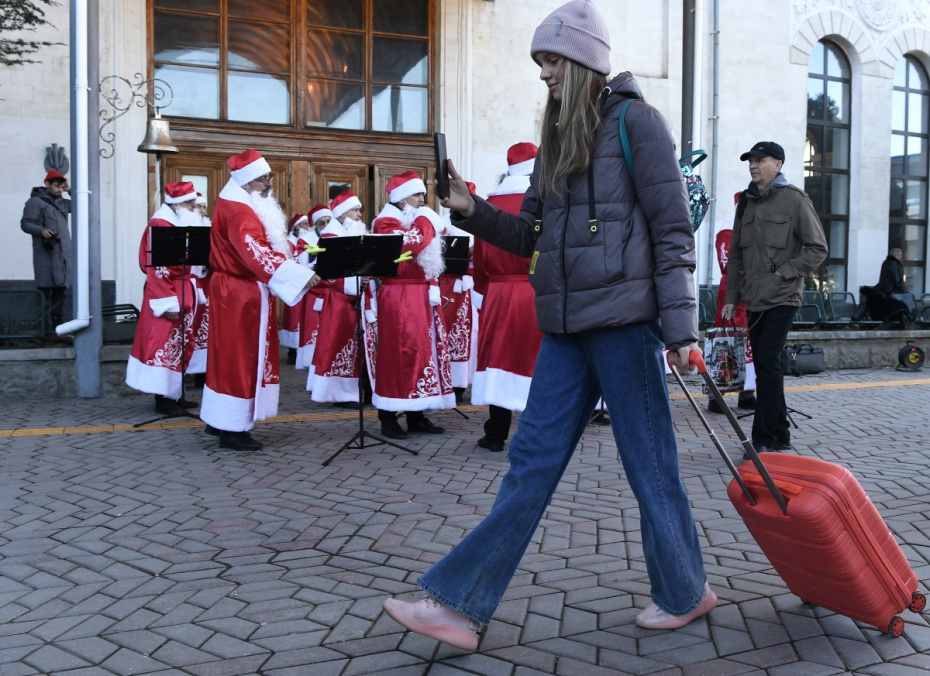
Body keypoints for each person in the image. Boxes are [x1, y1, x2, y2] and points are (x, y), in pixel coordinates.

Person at [381, 0, 715, 650]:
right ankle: (459, 604)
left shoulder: (637, 125)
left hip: (624, 324)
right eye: (539, 62)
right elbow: (527, 233)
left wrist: (682, 330)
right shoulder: (557, 141)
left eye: (552, 59)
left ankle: (684, 590)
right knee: (529, 464)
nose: (543, 74)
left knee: (650, 466)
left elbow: (673, 231)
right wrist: (469, 208)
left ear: (586, 59)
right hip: (563, 329)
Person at [200, 149, 319, 451]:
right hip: (239, 292)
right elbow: (256, 253)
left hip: (235, 289)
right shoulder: (241, 211)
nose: (269, 185)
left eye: (268, 178)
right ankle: (233, 428)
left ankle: (219, 419)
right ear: (247, 180)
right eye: (264, 179)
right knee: (241, 356)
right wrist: (297, 275)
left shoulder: (235, 203)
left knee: (227, 355)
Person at [722, 141, 828, 456]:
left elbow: (817, 248)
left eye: (760, 160)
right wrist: (732, 297)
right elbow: (738, 256)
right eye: (750, 161)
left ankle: (763, 439)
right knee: (767, 366)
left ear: (777, 165)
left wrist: (784, 273)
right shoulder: (747, 202)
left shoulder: (795, 200)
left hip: (783, 296)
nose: (753, 165)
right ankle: (781, 433)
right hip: (754, 299)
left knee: (767, 362)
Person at [470, 142, 544, 453]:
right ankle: (536, 435)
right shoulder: (542, 200)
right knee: (535, 361)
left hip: (498, 292)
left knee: (499, 361)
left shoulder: (490, 203)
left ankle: (495, 433)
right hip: (535, 289)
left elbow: (480, 260)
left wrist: (483, 291)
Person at [371, 170, 455, 439]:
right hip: (399, 296)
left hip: (420, 294)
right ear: (401, 197)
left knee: (421, 354)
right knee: (398, 355)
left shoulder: (412, 218)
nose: (422, 198)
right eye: (417, 194)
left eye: (422, 193)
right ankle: (388, 416)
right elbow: (412, 243)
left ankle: (417, 413)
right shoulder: (385, 222)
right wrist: (426, 219)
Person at [125, 181, 208, 415]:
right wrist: (167, 302)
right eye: (191, 202)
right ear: (178, 204)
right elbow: (157, 268)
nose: (195, 205)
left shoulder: (177, 222)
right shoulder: (161, 225)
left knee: (180, 344)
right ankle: (163, 399)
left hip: (184, 289)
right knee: (165, 344)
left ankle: (175, 393)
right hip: (169, 292)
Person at [308, 195, 369, 404]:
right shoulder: (332, 235)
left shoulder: (347, 231)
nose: (360, 215)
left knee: (352, 344)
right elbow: (325, 272)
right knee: (337, 343)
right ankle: (338, 393)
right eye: (355, 210)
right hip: (339, 299)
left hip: (353, 298)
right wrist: (355, 282)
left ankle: (350, 389)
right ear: (343, 213)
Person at [706, 194, 756, 414]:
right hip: (733, 293)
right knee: (726, 344)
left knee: (749, 344)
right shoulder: (727, 230)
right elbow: (727, 264)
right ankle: (717, 396)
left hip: (753, 293)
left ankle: (747, 392)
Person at [20, 170, 72, 332]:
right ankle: (42, 330)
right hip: (46, 255)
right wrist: (41, 230)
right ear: (47, 184)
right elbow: (25, 223)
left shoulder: (63, 203)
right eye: (56, 186)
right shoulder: (35, 202)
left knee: (60, 293)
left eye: (61, 187)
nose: (59, 190)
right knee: (44, 294)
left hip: (62, 257)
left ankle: (58, 330)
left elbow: (84, 205)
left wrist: (70, 190)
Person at [295, 205, 332, 371]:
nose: (325, 226)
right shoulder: (306, 239)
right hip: (314, 289)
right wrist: (317, 255)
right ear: (315, 224)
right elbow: (302, 262)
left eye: (328, 222)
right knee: (312, 328)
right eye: (321, 223)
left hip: (332, 290)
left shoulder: (335, 234)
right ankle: (311, 362)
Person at [280, 213, 308, 364]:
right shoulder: (288, 243)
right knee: (293, 317)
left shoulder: (305, 241)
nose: (307, 227)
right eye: (304, 224)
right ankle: (292, 350)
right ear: (296, 226)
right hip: (293, 285)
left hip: (306, 284)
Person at [873, 248, 917, 320]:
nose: (901, 257)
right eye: (900, 255)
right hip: (891, 290)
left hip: (885, 289)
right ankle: (910, 316)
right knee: (908, 298)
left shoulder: (886, 262)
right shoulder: (894, 263)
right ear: (896, 255)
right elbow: (897, 279)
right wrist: (902, 290)